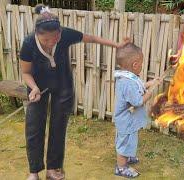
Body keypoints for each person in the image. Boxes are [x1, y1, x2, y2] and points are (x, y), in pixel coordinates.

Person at [19, 4, 129, 180]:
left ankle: (53, 168)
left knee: (58, 127)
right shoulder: (28, 43)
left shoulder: (65, 35)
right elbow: (25, 72)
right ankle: (34, 171)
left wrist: (117, 44)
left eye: (54, 38)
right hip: (37, 88)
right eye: (45, 40)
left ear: (60, 33)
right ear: (37, 35)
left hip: (63, 85)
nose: (50, 43)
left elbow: (92, 38)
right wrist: (33, 87)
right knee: (34, 126)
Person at [113, 43, 161, 178]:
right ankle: (121, 167)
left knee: (129, 141)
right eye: (141, 64)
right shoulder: (127, 82)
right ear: (135, 65)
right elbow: (137, 101)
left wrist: (149, 84)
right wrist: (148, 95)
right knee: (125, 143)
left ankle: (127, 158)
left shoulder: (128, 77)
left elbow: (137, 87)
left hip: (129, 120)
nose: (141, 66)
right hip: (127, 121)